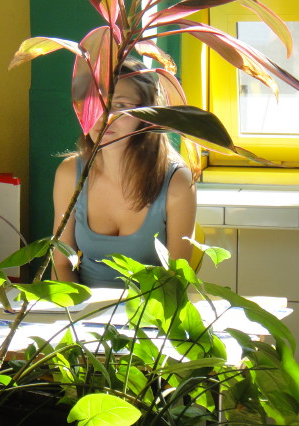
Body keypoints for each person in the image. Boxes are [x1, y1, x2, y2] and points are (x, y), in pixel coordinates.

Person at [51, 58, 197, 288]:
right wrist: (78, 307)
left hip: (149, 307)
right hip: (82, 305)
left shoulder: (177, 182)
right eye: (94, 103)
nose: (103, 116)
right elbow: (61, 264)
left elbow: (176, 279)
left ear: (147, 113)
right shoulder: (70, 173)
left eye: (119, 105)